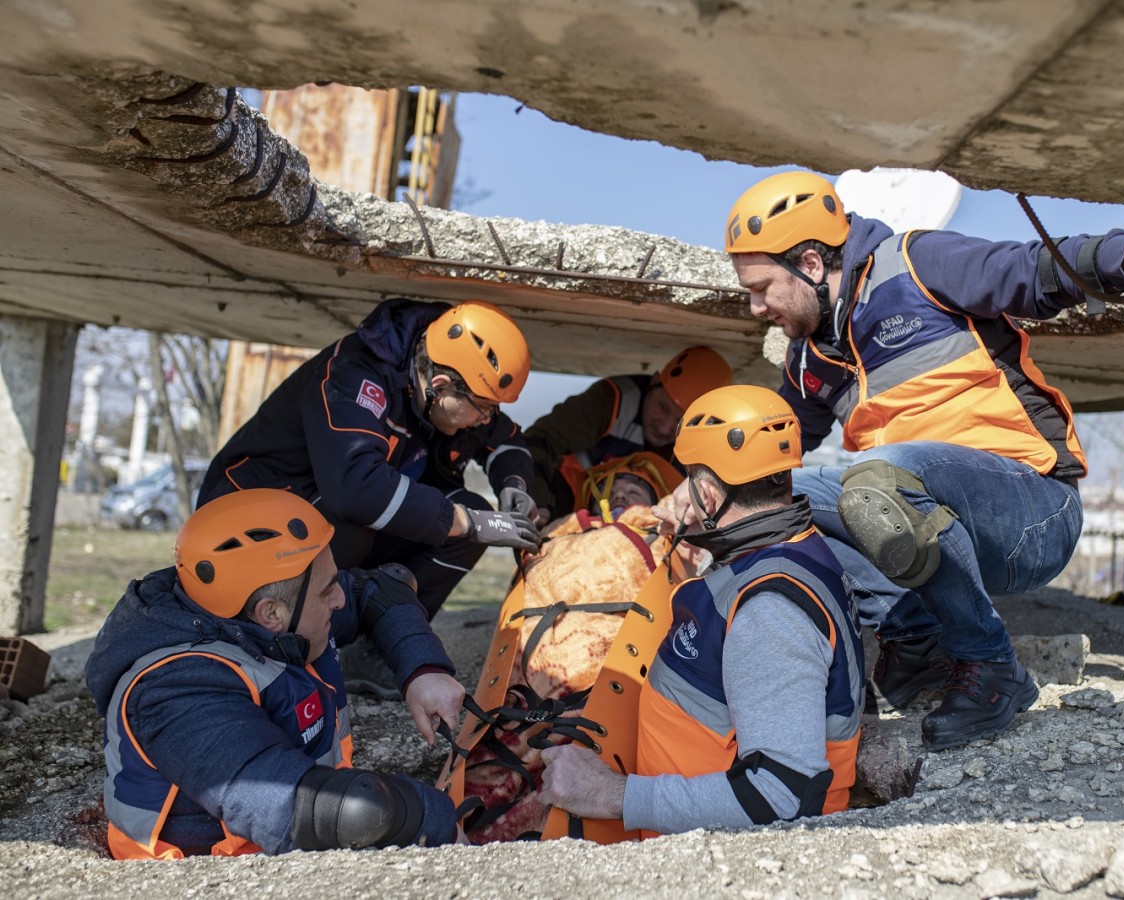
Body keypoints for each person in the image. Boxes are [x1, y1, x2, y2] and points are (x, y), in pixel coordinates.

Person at [718, 171, 1124, 750]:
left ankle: (992, 668)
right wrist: (698, 494)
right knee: (778, 503)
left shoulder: (915, 264)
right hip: (923, 517)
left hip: (1031, 514)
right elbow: (770, 452)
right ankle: (917, 647)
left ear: (811, 264)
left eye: (761, 287)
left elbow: (1030, 269)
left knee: (874, 480)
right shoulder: (807, 357)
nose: (756, 306)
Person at [538, 385, 865, 836]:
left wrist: (611, 794)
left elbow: (779, 797)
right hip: (675, 819)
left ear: (708, 495)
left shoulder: (770, 610)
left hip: (705, 855)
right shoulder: (793, 549)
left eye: (690, 478)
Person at [84, 489, 468, 859]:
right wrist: (434, 819)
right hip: (203, 875)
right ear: (271, 614)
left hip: (301, 822)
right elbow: (291, 807)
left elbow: (383, 588)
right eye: (329, 589)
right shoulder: (176, 690)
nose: (340, 598)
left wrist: (423, 668)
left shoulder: (278, 610)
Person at [198, 299, 544, 696]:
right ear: (442, 386)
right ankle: (285, 648)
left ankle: (374, 648)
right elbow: (356, 489)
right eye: (482, 408)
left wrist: (514, 485)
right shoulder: (352, 377)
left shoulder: (445, 386)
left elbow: (505, 439)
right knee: (371, 524)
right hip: (242, 524)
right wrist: (469, 523)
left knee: (465, 520)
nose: (485, 419)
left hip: (325, 512)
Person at [524, 345, 733, 519]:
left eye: (681, 421)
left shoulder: (704, 444)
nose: (664, 428)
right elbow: (540, 441)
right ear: (653, 382)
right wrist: (539, 504)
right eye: (663, 408)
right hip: (567, 506)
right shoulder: (610, 401)